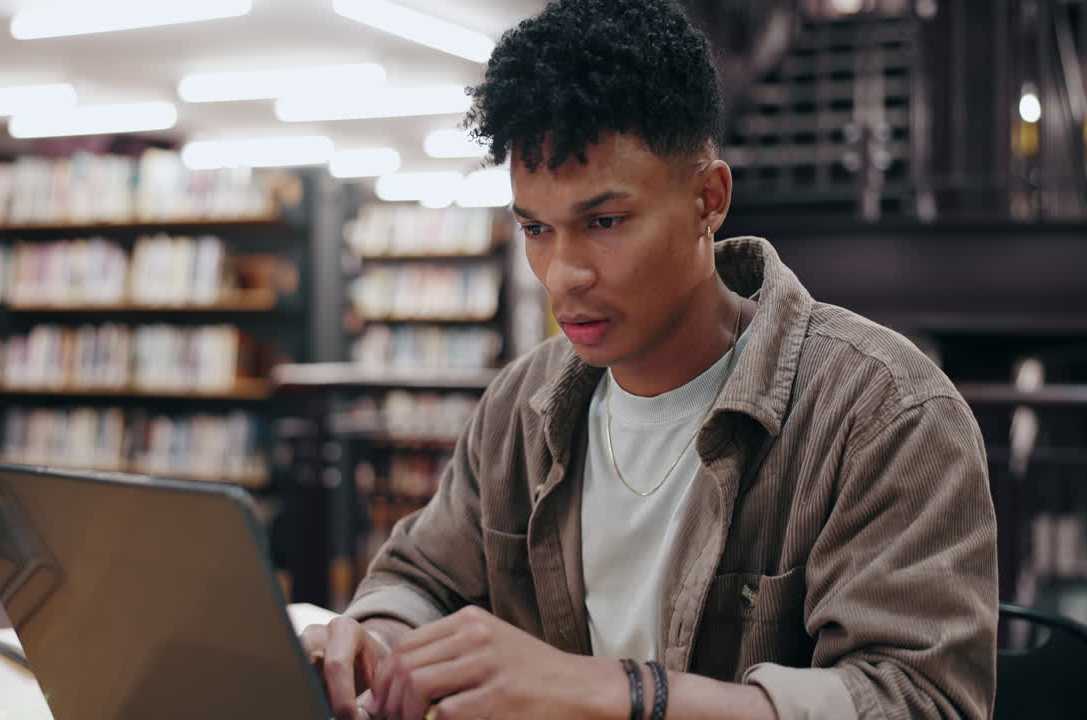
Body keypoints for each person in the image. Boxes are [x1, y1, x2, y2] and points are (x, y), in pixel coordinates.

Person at [300, 0, 998, 718]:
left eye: (603, 222)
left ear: (708, 200)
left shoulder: (884, 412)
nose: (562, 273)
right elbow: (421, 576)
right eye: (536, 228)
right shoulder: (520, 405)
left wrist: (621, 694)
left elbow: (921, 703)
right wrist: (376, 641)